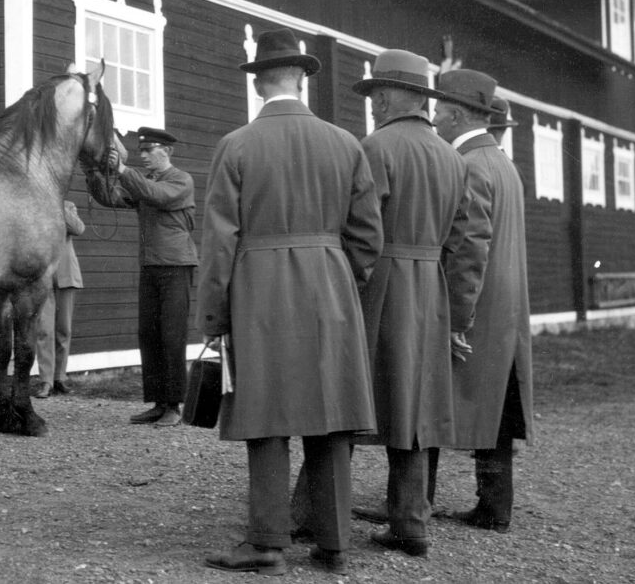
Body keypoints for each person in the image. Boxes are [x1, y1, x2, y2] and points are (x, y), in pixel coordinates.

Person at [197, 28, 383, 575]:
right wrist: (341, 275)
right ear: (302, 79)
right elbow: (368, 236)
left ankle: (267, 543)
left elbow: (218, 241)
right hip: (330, 287)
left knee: (266, 416)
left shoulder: (236, 146)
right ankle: (335, 544)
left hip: (259, 291)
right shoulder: (346, 144)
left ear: (259, 84)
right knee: (331, 415)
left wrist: (214, 313)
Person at [332, 49, 491, 558]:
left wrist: (348, 287)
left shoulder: (375, 147)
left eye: (380, 92)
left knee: (350, 397)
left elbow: (361, 228)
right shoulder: (451, 155)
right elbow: (466, 243)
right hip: (431, 289)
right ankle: (411, 523)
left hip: (382, 281)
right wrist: (456, 313)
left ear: (405, 95)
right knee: (415, 407)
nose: (374, 102)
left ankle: (314, 513)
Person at [431, 70, 535, 533]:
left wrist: (455, 316)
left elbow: (469, 247)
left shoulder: (469, 164)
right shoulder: (501, 163)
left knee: (444, 398)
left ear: (454, 114)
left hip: (480, 302)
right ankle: (494, 506)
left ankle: (417, 501)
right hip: (507, 304)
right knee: (499, 404)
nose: (433, 119)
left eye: (437, 111)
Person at [85, 126, 198, 427]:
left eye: (149, 151)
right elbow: (114, 198)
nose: (144, 155)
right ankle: (159, 403)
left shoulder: (180, 180)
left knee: (172, 336)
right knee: (149, 335)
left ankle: (174, 405)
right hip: (150, 266)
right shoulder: (145, 181)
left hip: (176, 266)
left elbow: (155, 195)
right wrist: (94, 173)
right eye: (142, 151)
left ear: (167, 152)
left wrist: (121, 168)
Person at [32, 200, 85, 398]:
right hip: (42, 275)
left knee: (64, 329)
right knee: (44, 329)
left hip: (66, 274)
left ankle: (59, 377)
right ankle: (45, 381)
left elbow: (78, 228)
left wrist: (58, 205)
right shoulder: (35, 204)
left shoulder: (68, 205)